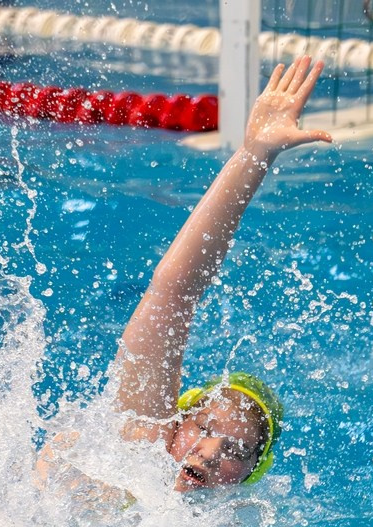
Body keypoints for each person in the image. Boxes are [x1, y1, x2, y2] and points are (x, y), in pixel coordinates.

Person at [90, 56, 331, 493]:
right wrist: (254, 155)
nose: (210, 451)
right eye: (203, 426)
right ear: (176, 418)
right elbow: (173, 293)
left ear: (250, 475)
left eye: (237, 453)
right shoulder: (139, 450)